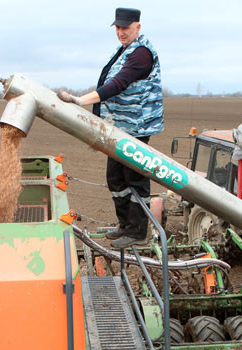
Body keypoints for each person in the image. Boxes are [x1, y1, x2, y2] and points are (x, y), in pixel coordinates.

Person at [57, 7, 164, 248]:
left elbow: (118, 83)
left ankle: (138, 232)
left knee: (134, 178)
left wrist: (80, 100)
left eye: (125, 27)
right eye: (117, 27)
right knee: (115, 177)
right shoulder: (124, 50)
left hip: (136, 126)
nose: (120, 32)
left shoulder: (141, 54)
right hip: (120, 126)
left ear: (138, 26)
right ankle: (125, 225)